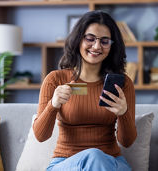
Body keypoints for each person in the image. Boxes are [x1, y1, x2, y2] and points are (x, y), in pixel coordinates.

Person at [33, 10, 137, 171]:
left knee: (96, 158)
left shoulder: (123, 84)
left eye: (104, 41)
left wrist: (123, 113)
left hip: (111, 163)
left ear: (112, 45)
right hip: (65, 163)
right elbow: (40, 136)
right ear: (78, 39)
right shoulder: (55, 79)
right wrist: (53, 105)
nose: (96, 46)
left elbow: (127, 142)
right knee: (93, 156)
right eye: (90, 39)